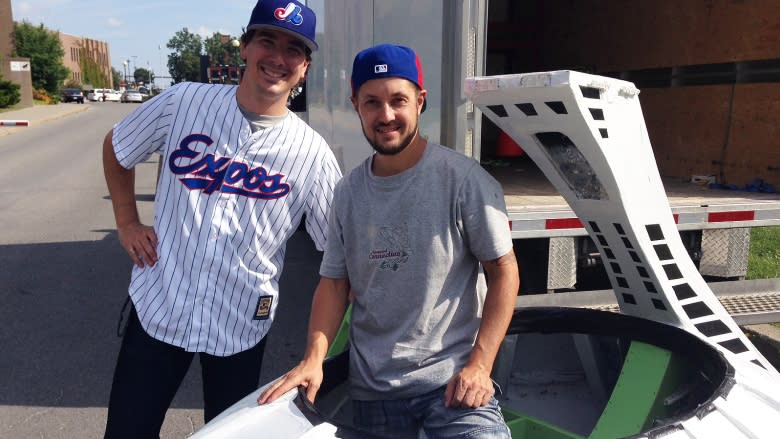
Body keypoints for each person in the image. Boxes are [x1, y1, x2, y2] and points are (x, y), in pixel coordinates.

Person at [101, 0, 341, 437]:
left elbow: (338, 260)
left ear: (304, 67)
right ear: (245, 47)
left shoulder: (313, 155)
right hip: (160, 304)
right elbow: (118, 147)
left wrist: (315, 354)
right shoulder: (184, 103)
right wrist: (126, 222)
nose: (278, 58)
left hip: (241, 322)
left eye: (293, 49)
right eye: (267, 40)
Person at [260, 43, 520, 438]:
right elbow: (333, 283)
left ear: (420, 101)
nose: (386, 115)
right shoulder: (347, 193)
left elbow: (504, 271)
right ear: (356, 105)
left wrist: (480, 366)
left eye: (398, 100)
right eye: (372, 102)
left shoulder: (463, 181)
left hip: (451, 387)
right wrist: (314, 358)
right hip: (374, 392)